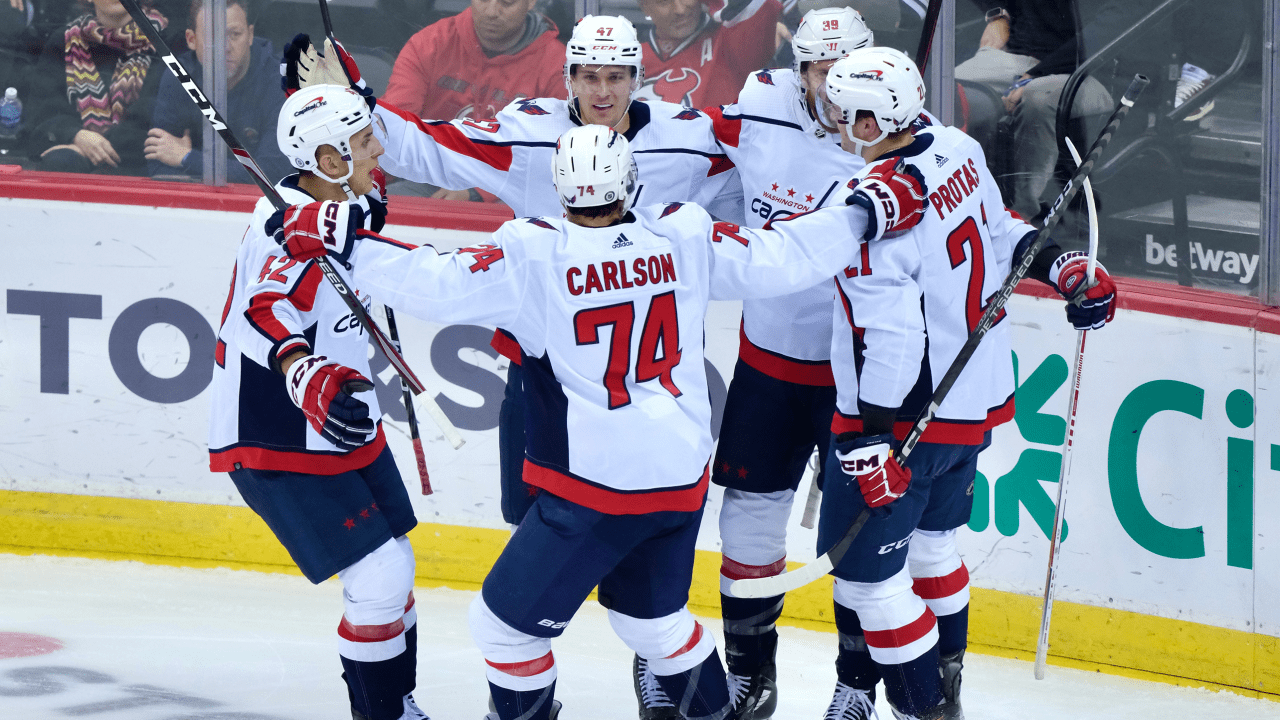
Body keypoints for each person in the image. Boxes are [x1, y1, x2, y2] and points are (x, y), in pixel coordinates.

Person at [274, 122, 929, 720]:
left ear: (561, 189)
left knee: (503, 629)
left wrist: (345, 242)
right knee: (657, 627)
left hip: (593, 492)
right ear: (630, 182)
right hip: (675, 482)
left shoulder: (534, 254)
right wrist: (861, 211)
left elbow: (436, 281)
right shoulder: (684, 234)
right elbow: (784, 253)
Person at [281, 15, 743, 545]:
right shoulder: (529, 135)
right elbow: (432, 149)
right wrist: (353, 107)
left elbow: (764, 169)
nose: (601, 91)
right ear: (567, 77)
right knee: (532, 526)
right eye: (588, 76)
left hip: (649, 376)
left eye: (615, 77)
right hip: (545, 369)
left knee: (644, 533)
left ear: (637, 78)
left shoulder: (691, 139)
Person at [815, 47, 1119, 719]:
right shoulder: (954, 148)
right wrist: (1064, 264)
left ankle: (923, 708)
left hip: (907, 417)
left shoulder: (870, 204)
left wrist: (871, 436)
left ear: (872, 119)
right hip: (972, 402)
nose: (837, 122)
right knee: (932, 551)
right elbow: (1003, 229)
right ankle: (921, 692)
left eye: (846, 112)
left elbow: (890, 337)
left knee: (867, 582)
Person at [693, 10, 938, 717]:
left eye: (845, 70)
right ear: (795, 68)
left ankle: (855, 686)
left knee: (854, 546)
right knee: (746, 521)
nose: (832, 88)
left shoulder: (901, 136)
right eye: (817, 71)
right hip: (769, 359)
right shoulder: (760, 103)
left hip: (857, 380)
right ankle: (750, 672)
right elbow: (700, 153)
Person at [206, 84, 428, 720]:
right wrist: (300, 368)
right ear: (328, 160)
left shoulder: (328, 199)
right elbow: (263, 308)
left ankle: (395, 704)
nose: (377, 149)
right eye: (362, 142)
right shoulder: (286, 229)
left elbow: (366, 216)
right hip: (277, 426)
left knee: (395, 572)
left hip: (340, 413)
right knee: (379, 576)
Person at [953, 0, 1118, 222]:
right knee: (948, 87)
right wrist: (999, 14)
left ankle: (1018, 220)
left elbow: (1109, 29)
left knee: (1038, 98)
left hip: (1090, 69)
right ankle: (950, 208)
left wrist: (1037, 74)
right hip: (1018, 57)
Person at [145, 0, 290, 182]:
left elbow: (271, 174)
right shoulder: (179, 75)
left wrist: (187, 157)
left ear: (250, 35)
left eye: (235, 34)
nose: (226, 47)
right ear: (191, 40)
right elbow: (158, 163)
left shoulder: (278, 81)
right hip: (191, 207)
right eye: (214, 37)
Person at [25, 0, 170, 175]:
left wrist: (93, 147)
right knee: (62, 161)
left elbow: (158, 120)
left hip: (140, 167)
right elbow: (40, 116)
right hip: (74, 168)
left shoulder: (167, 41)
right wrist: (77, 136)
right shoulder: (62, 41)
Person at [382, 0, 566, 124]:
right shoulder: (429, 44)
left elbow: (554, 153)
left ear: (531, 2)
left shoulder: (559, 66)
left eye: (507, 2)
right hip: (426, 171)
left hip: (510, 179)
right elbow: (396, 126)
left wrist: (475, 184)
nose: (491, 12)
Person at [633, 0, 784, 108]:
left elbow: (765, 6)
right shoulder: (629, 57)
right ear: (644, 6)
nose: (680, 10)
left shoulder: (731, 37)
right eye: (664, 2)